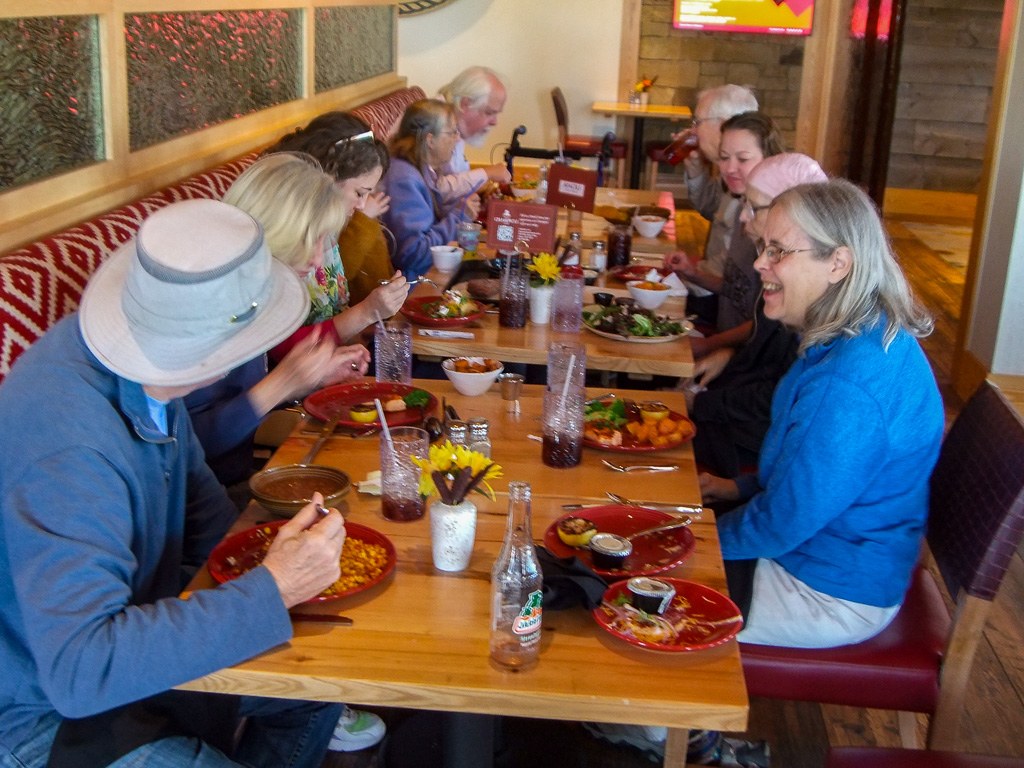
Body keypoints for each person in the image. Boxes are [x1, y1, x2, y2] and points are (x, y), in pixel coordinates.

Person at [0, 198, 365, 768]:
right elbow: (81, 671)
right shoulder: (68, 444)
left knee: (328, 681)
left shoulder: (148, 367)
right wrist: (272, 588)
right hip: (41, 708)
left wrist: (277, 556)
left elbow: (205, 519)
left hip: (128, 644)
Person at [701, 178, 944, 649]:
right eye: (762, 248)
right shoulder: (858, 331)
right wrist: (737, 488)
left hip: (826, 589)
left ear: (838, 262)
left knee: (633, 588)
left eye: (778, 251)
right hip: (820, 548)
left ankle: (650, 724)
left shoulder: (848, 382)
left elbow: (780, 526)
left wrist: (693, 541)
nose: (759, 263)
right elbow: (815, 474)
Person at [185, 153, 410, 493]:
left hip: (236, 482)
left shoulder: (255, 295)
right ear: (274, 229)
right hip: (209, 499)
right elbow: (187, 448)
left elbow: (240, 406)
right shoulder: (204, 308)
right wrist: (281, 383)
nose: (318, 258)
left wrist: (306, 379)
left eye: (324, 241)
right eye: (312, 239)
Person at [686, 153, 826, 478]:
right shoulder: (780, 266)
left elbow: (778, 397)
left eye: (753, 208)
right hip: (742, 410)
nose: (743, 219)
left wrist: (698, 405)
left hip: (760, 443)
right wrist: (729, 353)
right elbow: (766, 349)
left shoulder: (806, 292)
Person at [666, 111, 785, 357]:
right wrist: (693, 273)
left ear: (770, 159)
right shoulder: (741, 207)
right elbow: (738, 289)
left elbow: (768, 321)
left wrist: (710, 345)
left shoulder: (774, 225)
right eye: (723, 157)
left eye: (742, 159)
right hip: (725, 341)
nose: (730, 169)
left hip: (748, 357)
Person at [265, 112, 395, 305]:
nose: (361, 204)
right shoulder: (288, 232)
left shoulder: (327, 227)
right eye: (359, 193)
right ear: (329, 177)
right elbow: (308, 331)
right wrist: (365, 313)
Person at [380, 99, 481, 279]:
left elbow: (428, 221)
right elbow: (413, 255)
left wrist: (460, 208)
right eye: (452, 132)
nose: (457, 139)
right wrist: (459, 216)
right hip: (413, 285)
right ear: (431, 140)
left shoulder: (418, 169)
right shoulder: (403, 179)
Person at [672, 84, 758, 280]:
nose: (693, 131)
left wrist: (688, 276)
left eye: (698, 122)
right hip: (712, 282)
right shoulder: (730, 164)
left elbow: (728, 275)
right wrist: (695, 169)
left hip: (721, 293)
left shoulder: (752, 180)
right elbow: (711, 208)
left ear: (724, 124)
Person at [436, 66, 512, 200]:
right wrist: (486, 173)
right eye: (489, 113)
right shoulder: (433, 123)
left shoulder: (453, 123)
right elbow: (435, 188)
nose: (495, 122)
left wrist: (478, 192)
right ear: (466, 104)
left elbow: (452, 177)